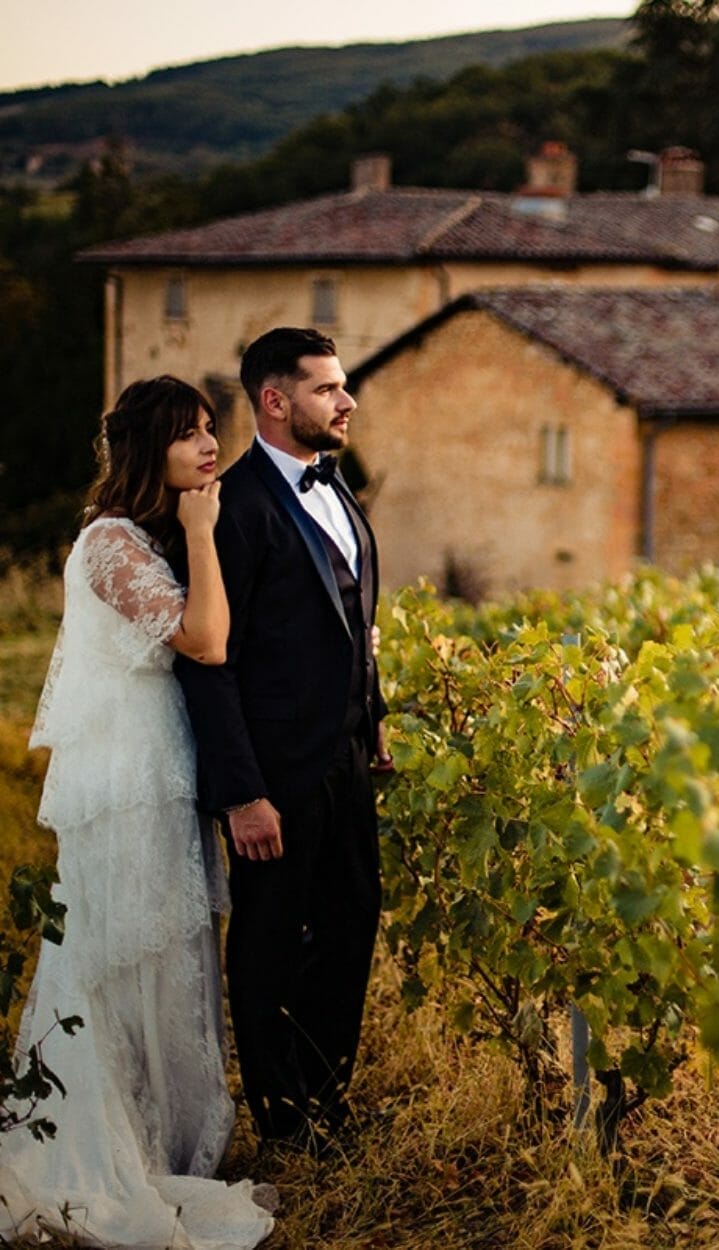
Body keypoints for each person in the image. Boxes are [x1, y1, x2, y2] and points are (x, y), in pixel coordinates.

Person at [0, 377, 274, 1247]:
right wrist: (200, 535)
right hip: (124, 782)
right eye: (189, 434)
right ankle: (112, 1144)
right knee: (119, 951)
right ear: (145, 446)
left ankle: (167, 1137)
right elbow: (207, 639)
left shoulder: (144, 538)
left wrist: (194, 536)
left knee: (168, 951)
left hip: (162, 772)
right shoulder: (110, 541)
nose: (207, 447)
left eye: (208, 431)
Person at [174, 327, 388, 1153]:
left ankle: (327, 1099)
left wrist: (371, 721)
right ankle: (285, 1122)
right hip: (272, 776)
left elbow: (348, 623)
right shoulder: (235, 508)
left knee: (350, 925)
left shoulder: (338, 488)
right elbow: (208, 665)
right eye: (328, 389)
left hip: (346, 759)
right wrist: (242, 793)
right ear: (275, 400)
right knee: (269, 946)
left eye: (343, 387)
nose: (346, 401)